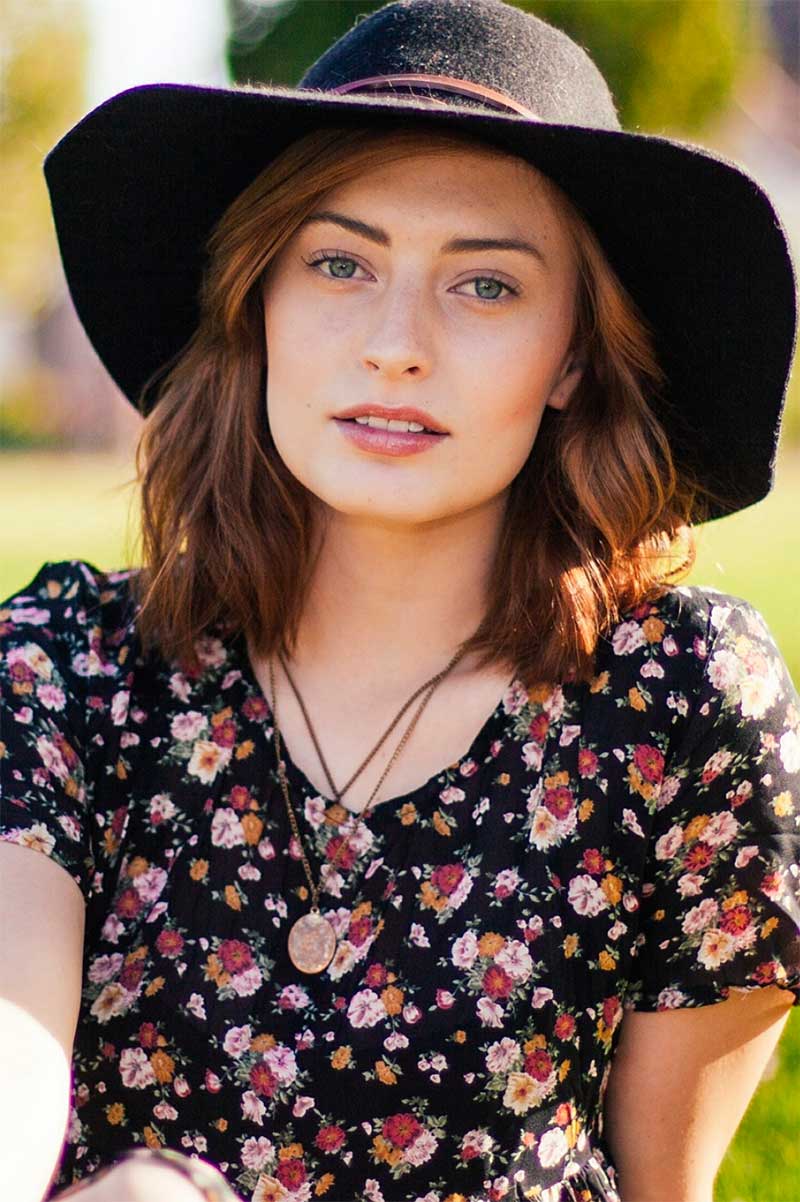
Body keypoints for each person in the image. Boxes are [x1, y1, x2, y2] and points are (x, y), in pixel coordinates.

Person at [2, 1, 799, 1200]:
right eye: (339, 264)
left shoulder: (680, 700)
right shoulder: (67, 666)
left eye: (483, 285)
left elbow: (662, 1184)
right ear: (257, 302)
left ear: (573, 356)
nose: (394, 344)